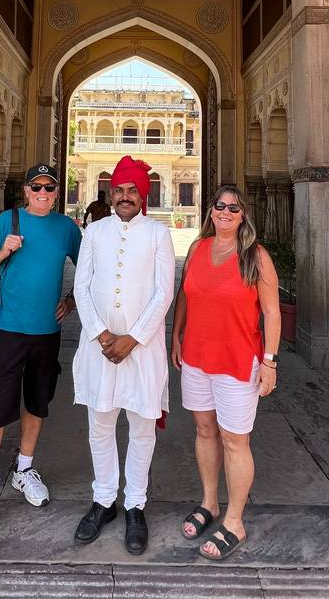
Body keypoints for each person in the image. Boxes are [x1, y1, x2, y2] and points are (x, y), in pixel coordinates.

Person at [0, 163, 82, 543]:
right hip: (9, 330)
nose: (44, 193)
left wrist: (73, 299)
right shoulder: (8, 221)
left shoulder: (66, 228)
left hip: (47, 332)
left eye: (50, 187)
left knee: (37, 404)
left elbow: (90, 269)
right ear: (27, 191)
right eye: (37, 187)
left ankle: (24, 470)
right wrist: (3, 251)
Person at [171, 184, 280, 561]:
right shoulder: (198, 249)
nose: (226, 212)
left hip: (237, 362)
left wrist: (269, 361)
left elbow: (271, 312)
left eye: (234, 208)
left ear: (243, 214)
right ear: (211, 210)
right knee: (204, 429)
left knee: (236, 440)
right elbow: (185, 295)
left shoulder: (256, 256)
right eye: (220, 205)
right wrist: (176, 335)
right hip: (198, 358)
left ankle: (234, 521)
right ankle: (209, 504)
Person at [72, 155, 175, 555]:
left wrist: (131, 338)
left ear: (142, 194)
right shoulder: (95, 233)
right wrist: (101, 335)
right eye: (119, 190)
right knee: (100, 424)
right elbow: (82, 287)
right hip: (99, 349)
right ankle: (103, 501)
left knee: (141, 427)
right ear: (110, 193)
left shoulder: (157, 233)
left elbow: (163, 293)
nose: (125, 196)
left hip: (141, 350)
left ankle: (135, 505)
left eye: (133, 190)